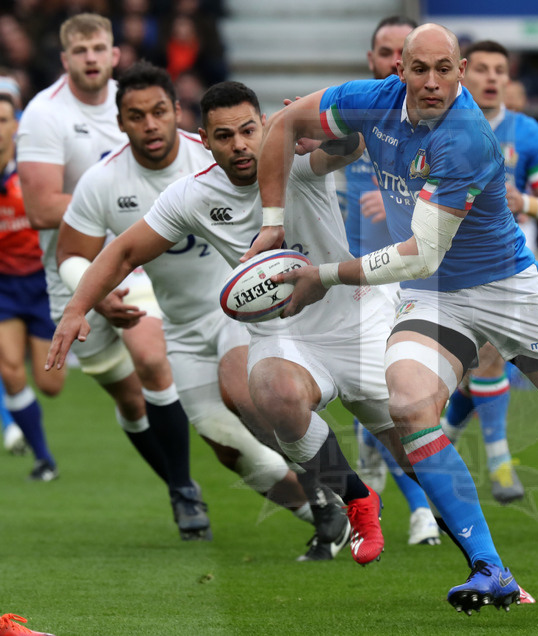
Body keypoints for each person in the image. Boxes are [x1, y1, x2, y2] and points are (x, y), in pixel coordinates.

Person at [251, 24, 538, 616]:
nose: (431, 82)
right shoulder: (368, 101)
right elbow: (286, 124)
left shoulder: (467, 137)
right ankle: (490, 568)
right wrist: (273, 221)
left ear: (461, 67)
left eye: (443, 69)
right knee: (408, 408)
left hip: (508, 288)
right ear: (398, 69)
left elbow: (420, 252)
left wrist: (317, 275)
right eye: (418, 69)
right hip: (434, 297)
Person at [46, 80, 389, 567]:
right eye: (225, 136)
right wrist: (78, 307)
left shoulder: (274, 157)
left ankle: (342, 496)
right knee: (228, 445)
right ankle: (326, 507)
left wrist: (324, 131)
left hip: (259, 312)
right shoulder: (133, 185)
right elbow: (111, 251)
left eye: (249, 130)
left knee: (256, 398)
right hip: (194, 326)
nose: (240, 144)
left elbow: (345, 148)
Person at [17, 13, 209, 540]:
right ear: (65, 60)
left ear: (114, 53)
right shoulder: (43, 116)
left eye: (99, 48)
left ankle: (189, 491)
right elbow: (37, 207)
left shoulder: (135, 103)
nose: (92, 59)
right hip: (71, 269)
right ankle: (180, 482)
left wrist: (134, 227)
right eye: (81, 52)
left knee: (151, 359)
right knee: (126, 397)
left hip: (134, 263)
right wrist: (110, 204)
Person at [439, 39, 538, 505]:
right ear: (465, 75)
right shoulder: (441, 126)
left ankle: (499, 462)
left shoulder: (526, 132)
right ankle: (447, 438)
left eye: (500, 71)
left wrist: (526, 202)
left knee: (487, 356)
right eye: (483, 69)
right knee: (472, 365)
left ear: (509, 81)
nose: (492, 78)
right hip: (445, 256)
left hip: (505, 259)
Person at [342, 14, 441, 548]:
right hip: (365, 278)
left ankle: (425, 498)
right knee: (381, 393)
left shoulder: (444, 124)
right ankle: (417, 506)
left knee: (406, 400)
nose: (392, 63)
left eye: (399, 54)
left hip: (426, 281)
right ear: (379, 61)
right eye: (385, 53)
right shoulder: (357, 121)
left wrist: (408, 200)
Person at [0, 91, 65, 478]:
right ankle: (44, 459)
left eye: (3, 120)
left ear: (16, 125)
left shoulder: (34, 172)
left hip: (42, 284)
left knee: (51, 383)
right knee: (9, 367)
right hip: (3, 286)